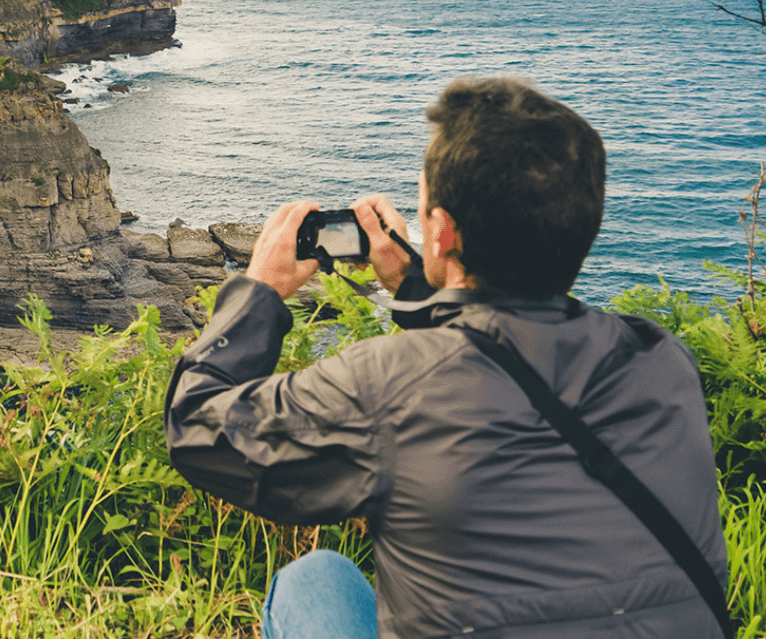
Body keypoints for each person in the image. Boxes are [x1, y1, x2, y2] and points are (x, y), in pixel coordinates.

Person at [164, 77, 728, 639]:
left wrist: (258, 291)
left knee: (314, 582)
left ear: (441, 233)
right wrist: (415, 286)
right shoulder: (664, 361)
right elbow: (501, 359)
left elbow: (197, 427)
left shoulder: (389, 385)